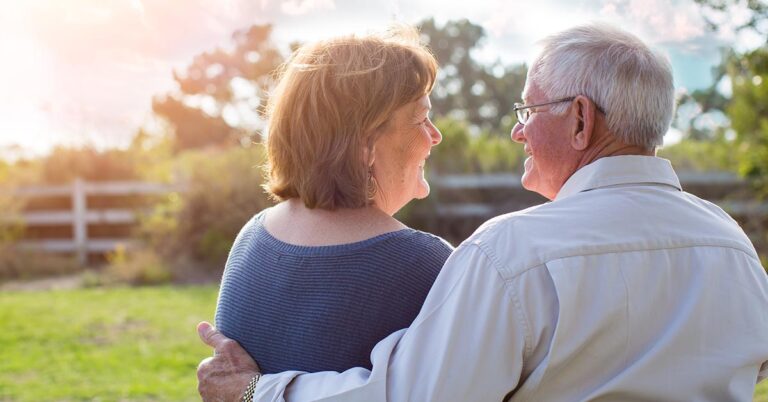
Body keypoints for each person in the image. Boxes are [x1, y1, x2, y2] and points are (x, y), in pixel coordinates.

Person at [198, 23, 768, 401]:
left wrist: (257, 392)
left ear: (579, 121)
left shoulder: (511, 255)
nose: (517, 129)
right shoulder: (732, 245)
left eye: (528, 108)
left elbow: (415, 395)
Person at [201, 23, 453, 394]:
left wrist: (253, 393)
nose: (435, 135)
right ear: (366, 145)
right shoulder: (423, 263)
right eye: (420, 118)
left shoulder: (252, 236)